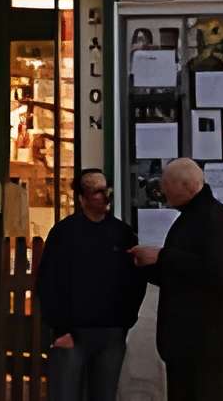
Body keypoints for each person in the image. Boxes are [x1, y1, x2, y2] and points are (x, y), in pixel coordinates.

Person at [131, 156, 223, 401]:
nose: (163, 191)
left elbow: (213, 271)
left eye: (168, 185)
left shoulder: (214, 219)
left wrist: (161, 256)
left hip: (204, 342)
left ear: (187, 186)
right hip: (186, 341)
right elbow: (179, 274)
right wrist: (147, 265)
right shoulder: (191, 217)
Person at [38, 167, 143, 401]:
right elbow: (49, 282)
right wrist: (60, 329)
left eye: (106, 190)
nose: (105, 196)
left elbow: (135, 281)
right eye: (97, 191)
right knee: (66, 393)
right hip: (72, 332)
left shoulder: (121, 233)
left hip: (111, 331)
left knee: (104, 394)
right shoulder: (65, 233)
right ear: (82, 198)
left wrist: (125, 321)